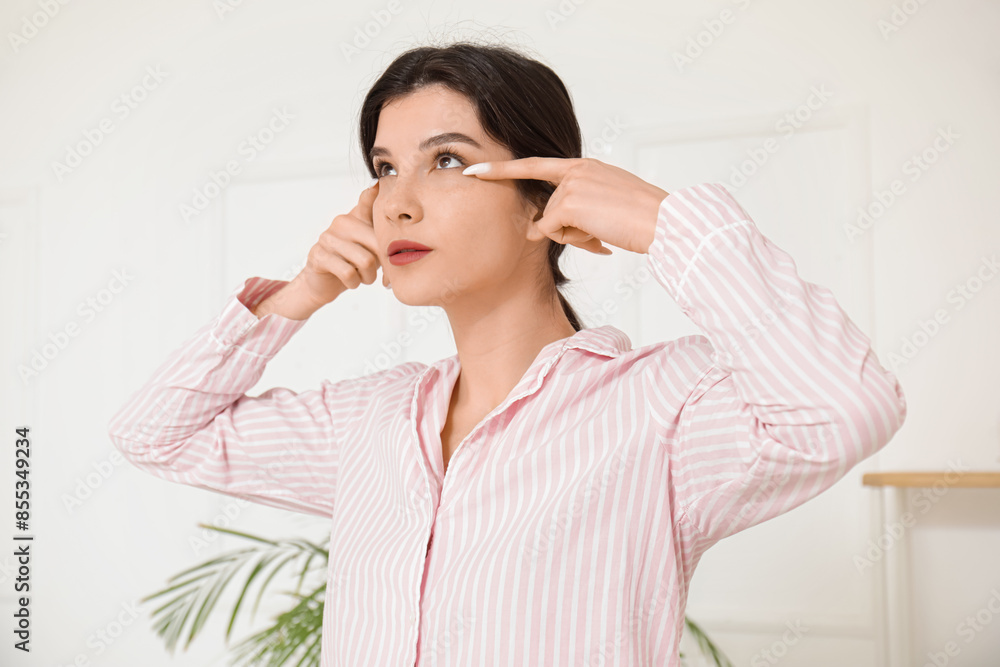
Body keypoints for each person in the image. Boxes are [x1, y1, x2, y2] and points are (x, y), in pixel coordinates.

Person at [107, 40, 907, 666]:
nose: (398, 200)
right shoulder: (369, 420)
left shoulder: (661, 409)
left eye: (446, 160)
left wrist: (669, 223)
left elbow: (844, 408)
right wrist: (301, 294)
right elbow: (156, 433)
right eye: (384, 168)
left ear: (545, 201)